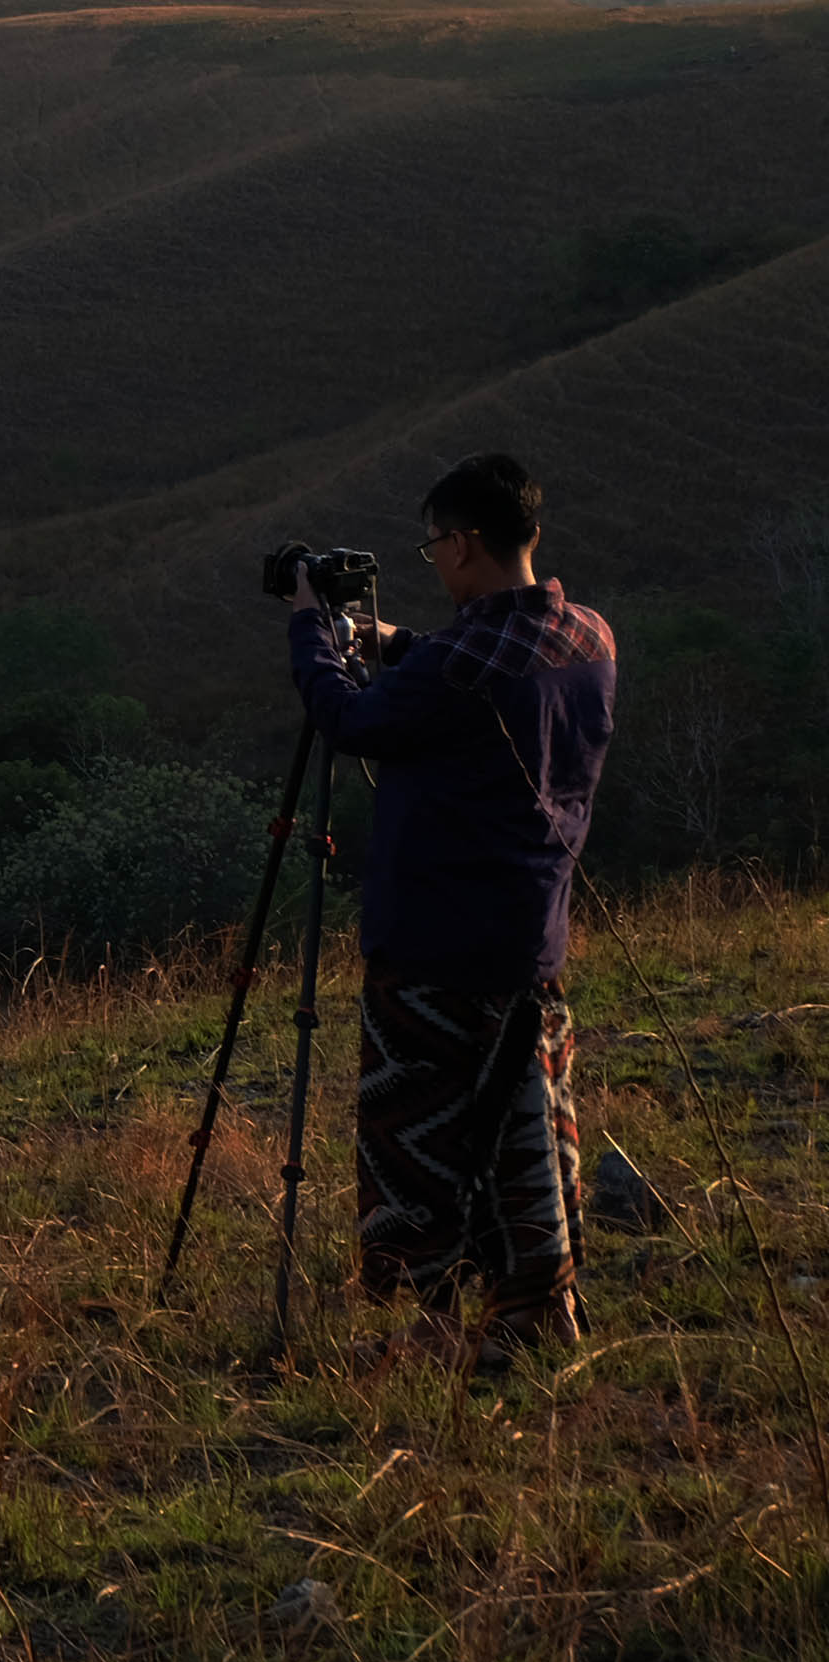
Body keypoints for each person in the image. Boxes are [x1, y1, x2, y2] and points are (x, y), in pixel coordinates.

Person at [287, 450, 617, 1372]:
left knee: (416, 1140)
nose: (433, 559)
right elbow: (479, 662)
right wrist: (392, 640)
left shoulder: (462, 666)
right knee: (521, 1124)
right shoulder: (590, 640)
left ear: (463, 543)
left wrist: (313, 632)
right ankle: (540, 1306)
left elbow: (351, 721)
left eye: (434, 545)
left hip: (432, 941)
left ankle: (427, 1327)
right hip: (530, 936)